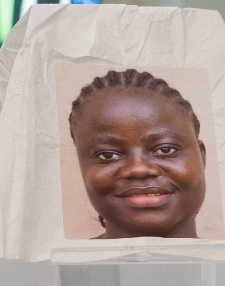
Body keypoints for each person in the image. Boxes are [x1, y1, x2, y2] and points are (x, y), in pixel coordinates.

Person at [69, 69, 206, 239]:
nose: (138, 169)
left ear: (202, 157)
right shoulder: (64, 264)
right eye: (108, 155)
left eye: (165, 150)